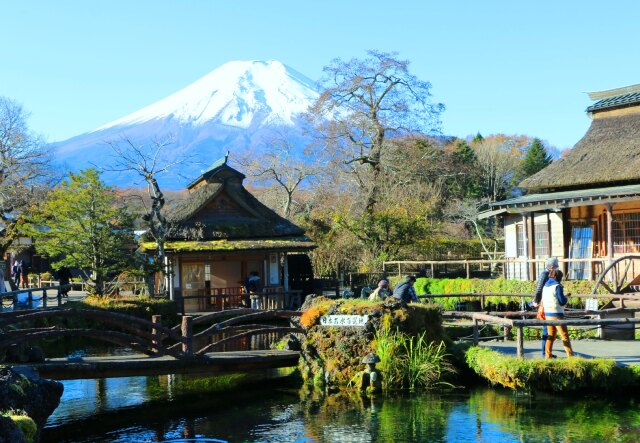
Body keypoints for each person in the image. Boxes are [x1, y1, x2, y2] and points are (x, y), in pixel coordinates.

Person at [541, 269, 574, 359]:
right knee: (564, 336)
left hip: (548, 314)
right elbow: (562, 301)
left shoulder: (545, 286)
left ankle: (548, 356)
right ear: (558, 277)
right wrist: (566, 298)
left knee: (550, 336)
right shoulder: (557, 286)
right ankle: (570, 356)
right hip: (557, 314)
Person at [533, 257, 559, 357]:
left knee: (548, 329)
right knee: (546, 329)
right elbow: (539, 289)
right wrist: (536, 301)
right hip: (545, 304)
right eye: (556, 267)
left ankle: (548, 352)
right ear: (552, 267)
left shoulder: (549, 274)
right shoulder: (544, 274)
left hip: (548, 303)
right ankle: (545, 353)